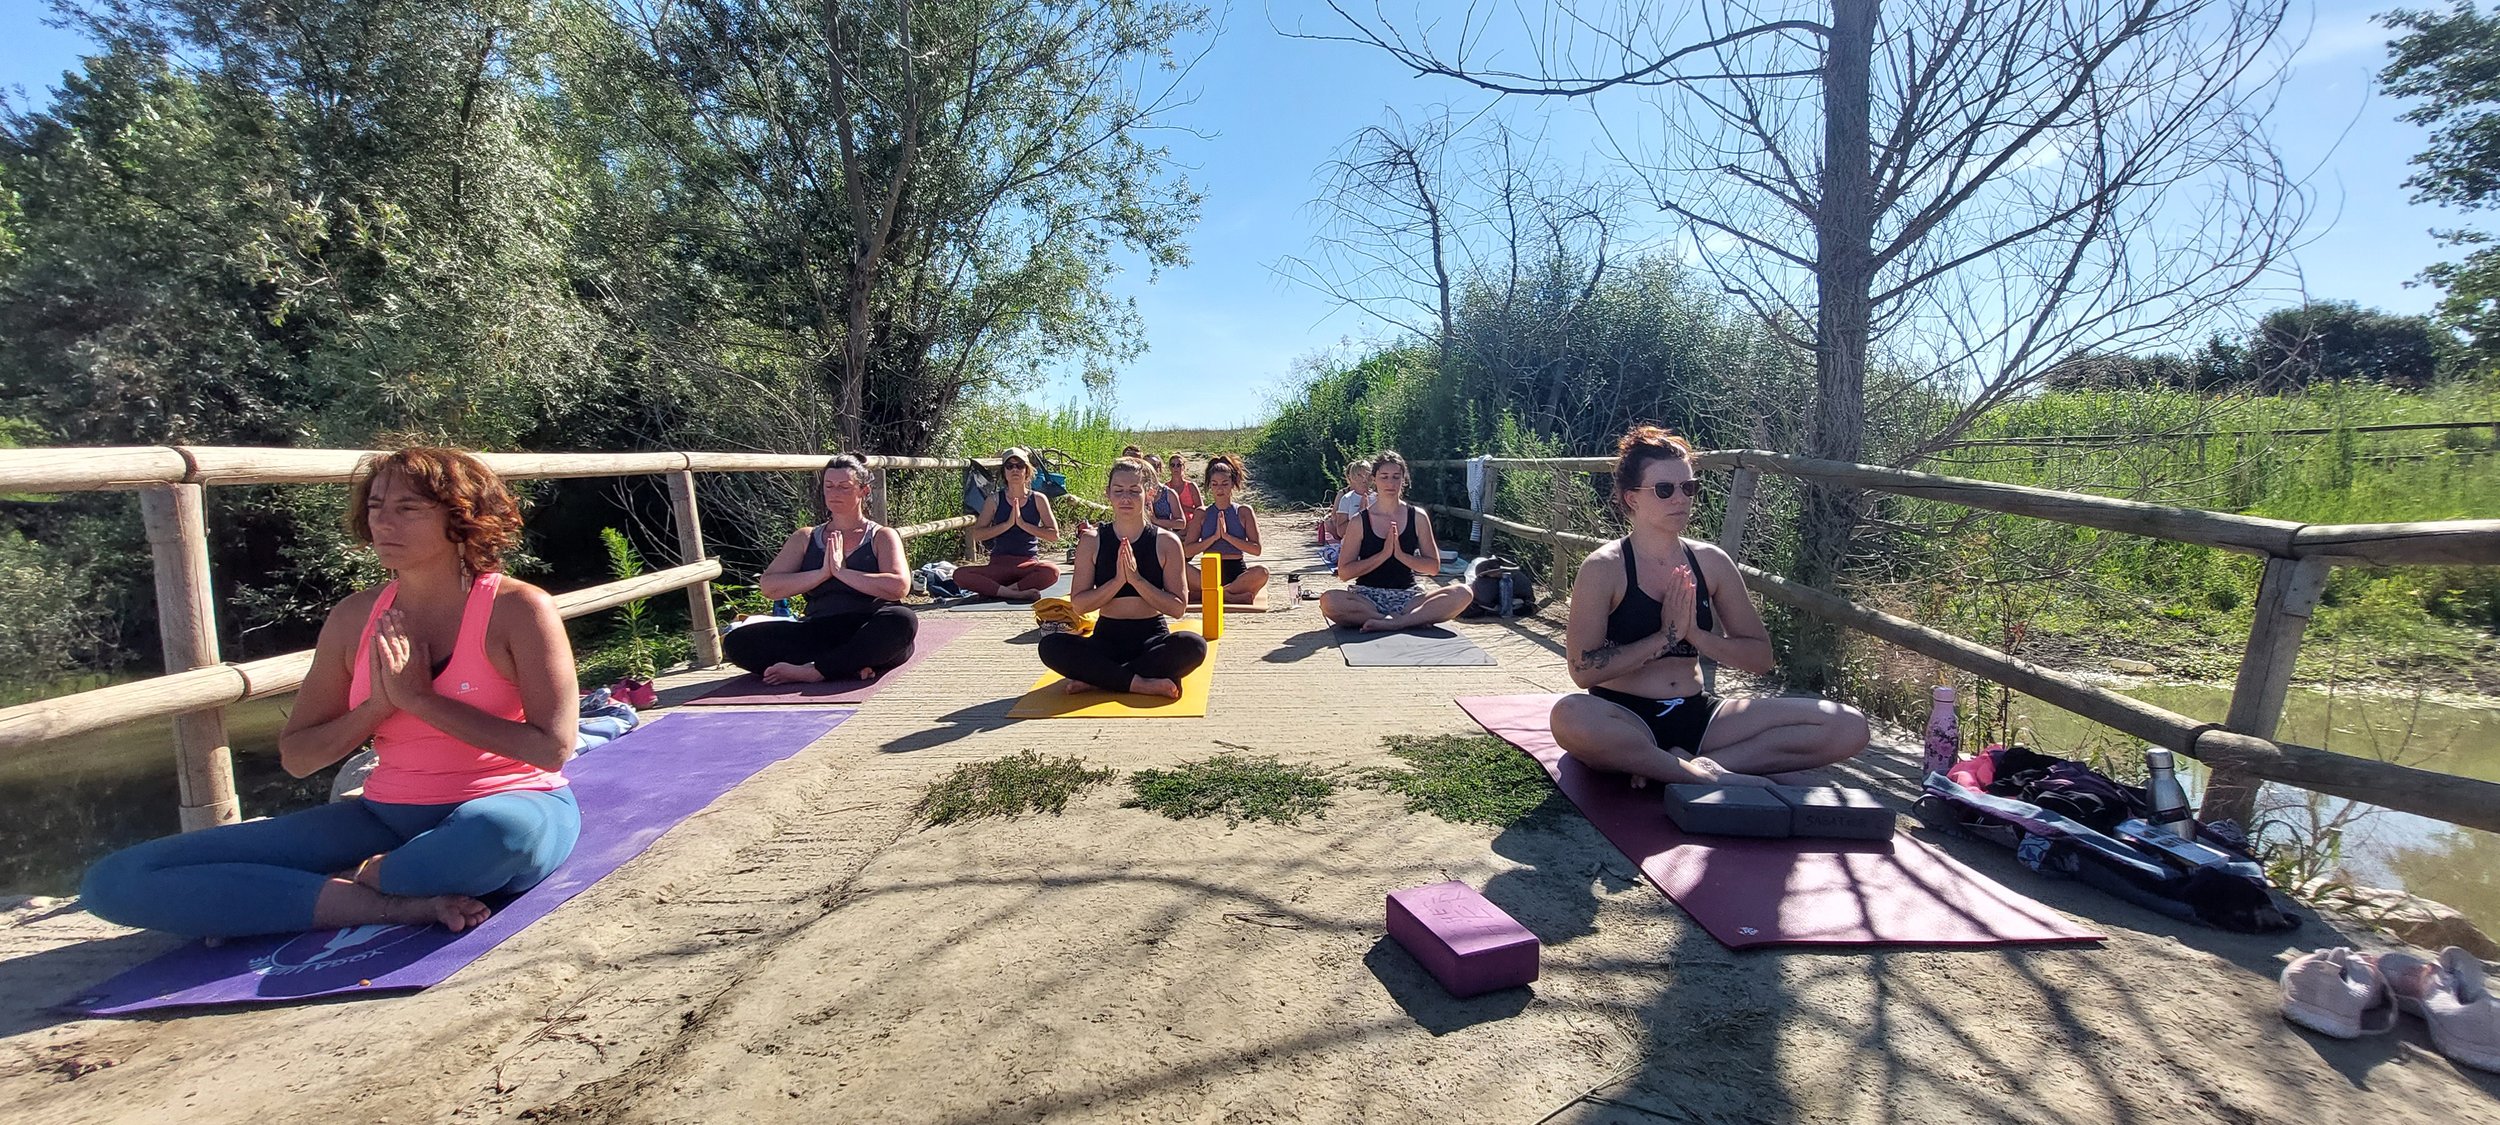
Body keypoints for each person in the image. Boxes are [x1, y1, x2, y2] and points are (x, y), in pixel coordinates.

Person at [80, 448, 583, 938]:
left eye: (408, 509)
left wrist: (421, 701)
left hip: (512, 804)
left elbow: (551, 748)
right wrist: (377, 707)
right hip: (383, 817)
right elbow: (298, 757)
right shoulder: (354, 618)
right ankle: (389, 903)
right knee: (117, 880)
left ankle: (346, 884)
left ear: (464, 519)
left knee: (498, 837)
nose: (384, 523)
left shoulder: (518, 609)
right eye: (375, 507)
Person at [1549, 426, 1869, 787]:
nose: (1680, 499)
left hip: (1699, 715)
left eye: (1689, 487)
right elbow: (1583, 670)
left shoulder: (1711, 562)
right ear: (1631, 498)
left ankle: (1696, 768)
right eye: (1664, 489)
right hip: (1624, 716)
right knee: (1570, 715)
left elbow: (1759, 658)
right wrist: (1664, 638)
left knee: (1847, 724)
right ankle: (1690, 774)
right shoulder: (1604, 566)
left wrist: (1695, 636)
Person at [723, 455, 918, 684]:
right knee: (737, 642)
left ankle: (816, 671)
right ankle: (848, 666)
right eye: (829, 486)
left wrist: (842, 572)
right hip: (819, 629)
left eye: (844, 487)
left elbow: (899, 587)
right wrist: (822, 573)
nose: (835, 493)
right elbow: (770, 586)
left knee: (903, 620)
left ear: (863, 490)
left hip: (868, 626)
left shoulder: (881, 536)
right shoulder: (805, 537)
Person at [1038, 457, 1208, 699]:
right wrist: (1118, 581)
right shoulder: (1091, 540)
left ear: (1148, 494)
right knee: (1050, 646)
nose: (1125, 498)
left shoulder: (1166, 542)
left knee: (1195, 646)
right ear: (1108, 494)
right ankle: (1140, 683)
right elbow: (1080, 604)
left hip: (1151, 638)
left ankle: (1102, 679)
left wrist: (1137, 580)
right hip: (1106, 639)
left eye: (1134, 491)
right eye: (1118, 491)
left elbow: (1178, 608)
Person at [1320, 450, 1473, 631]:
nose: (1390, 483)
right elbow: (1344, 573)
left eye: (1396, 477)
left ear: (1404, 480)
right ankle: (1387, 619)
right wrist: (1383, 555)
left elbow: (1432, 567)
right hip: (1367, 599)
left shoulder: (1417, 516)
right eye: (1384, 477)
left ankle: (1395, 623)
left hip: (1409, 598)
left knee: (1463, 593)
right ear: (1374, 479)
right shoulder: (1359, 521)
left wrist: (1400, 555)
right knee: (1329, 601)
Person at [955, 446, 1061, 603]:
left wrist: (1023, 524)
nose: (1015, 470)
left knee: (1052, 572)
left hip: (1027, 564)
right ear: (1004, 472)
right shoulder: (994, 500)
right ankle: (1015, 593)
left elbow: (1054, 535)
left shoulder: (1038, 499)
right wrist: (1007, 524)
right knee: (959, 575)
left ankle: (1001, 591)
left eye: (1019, 466)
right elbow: (977, 535)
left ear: (1027, 471)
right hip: (999, 565)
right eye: (1009, 466)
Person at [1184, 454, 1269, 604]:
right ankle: (1226, 596)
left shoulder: (1243, 511)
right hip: (1209, 571)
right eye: (1215, 484)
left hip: (1236, 572)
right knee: (1178, 567)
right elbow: (1187, 551)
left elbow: (1256, 549)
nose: (1220, 489)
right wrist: (1214, 537)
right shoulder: (1202, 513)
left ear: (1232, 484)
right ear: (1210, 485)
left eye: (1224, 483)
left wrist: (1227, 537)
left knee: (1262, 572)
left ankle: (1212, 594)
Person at [1323, 459, 1374, 543]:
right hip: (1352, 544)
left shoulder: (1378, 497)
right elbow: (1341, 531)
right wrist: (1360, 514)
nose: (1364, 479)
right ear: (1352, 477)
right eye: (1359, 475)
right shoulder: (1347, 498)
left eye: (1367, 474)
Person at [1164, 451, 1204, 525]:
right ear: (1169, 468)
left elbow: (1201, 510)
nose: (1175, 467)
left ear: (1183, 467)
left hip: (1191, 523)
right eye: (1173, 465)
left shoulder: (1191, 486)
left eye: (1179, 465)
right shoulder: (1165, 487)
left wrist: (1181, 508)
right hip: (1172, 524)